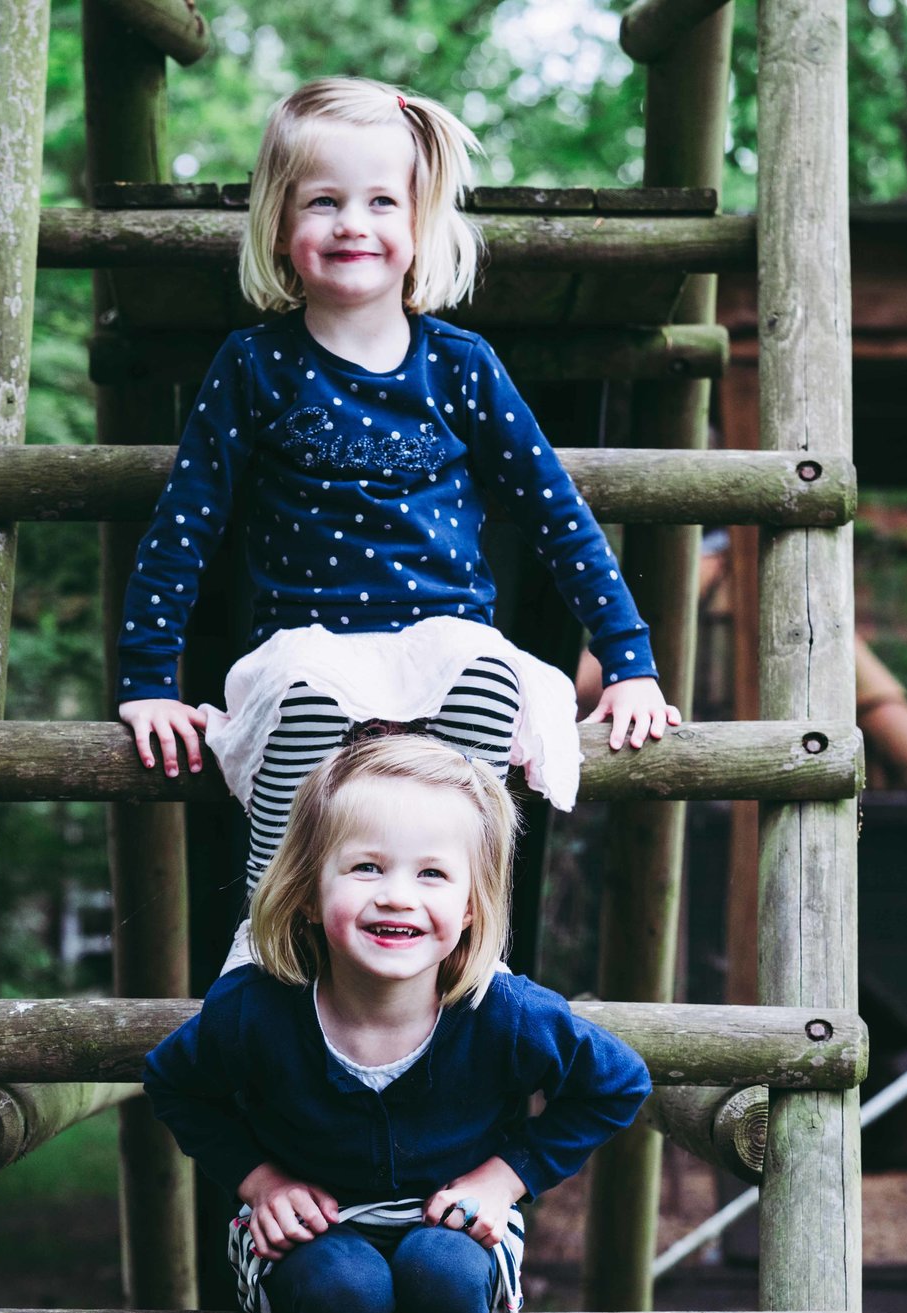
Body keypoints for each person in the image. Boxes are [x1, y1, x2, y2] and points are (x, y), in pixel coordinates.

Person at [143, 736, 651, 1313]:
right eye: (365, 866)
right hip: (310, 1235)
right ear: (308, 886)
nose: (395, 895)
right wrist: (261, 1182)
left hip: (453, 1226)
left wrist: (505, 1177)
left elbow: (615, 1083)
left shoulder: (504, 1013)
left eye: (430, 874)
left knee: (443, 1264)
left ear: (471, 905)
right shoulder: (257, 1012)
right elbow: (175, 1085)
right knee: (346, 1282)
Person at [117, 76, 680, 906]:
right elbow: (183, 529)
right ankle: (278, 925)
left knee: (486, 677)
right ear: (278, 222)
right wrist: (148, 682)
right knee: (302, 698)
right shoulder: (254, 365)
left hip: (440, 642)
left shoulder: (461, 366)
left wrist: (629, 661)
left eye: (383, 200)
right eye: (322, 201)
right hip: (308, 644)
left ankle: (457, 925)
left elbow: (557, 516)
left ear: (420, 224)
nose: (353, 222)